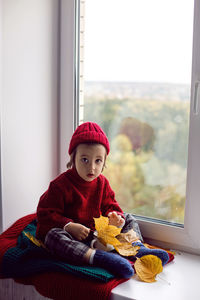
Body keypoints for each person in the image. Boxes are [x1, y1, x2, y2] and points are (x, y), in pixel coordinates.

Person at [36, 122, 169, 279]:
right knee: (53, 237)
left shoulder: (102, 183)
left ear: (104, 161)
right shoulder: (60, 185)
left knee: (128, 218)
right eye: (84, 160)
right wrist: (69, 225)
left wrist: (115, 217)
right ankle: (97, 258)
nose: (91, 168)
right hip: (75, 238)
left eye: (98, 161)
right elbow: (45, 213)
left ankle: (136, 248)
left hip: (99, 235)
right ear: (73, 158)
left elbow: (110, 205)